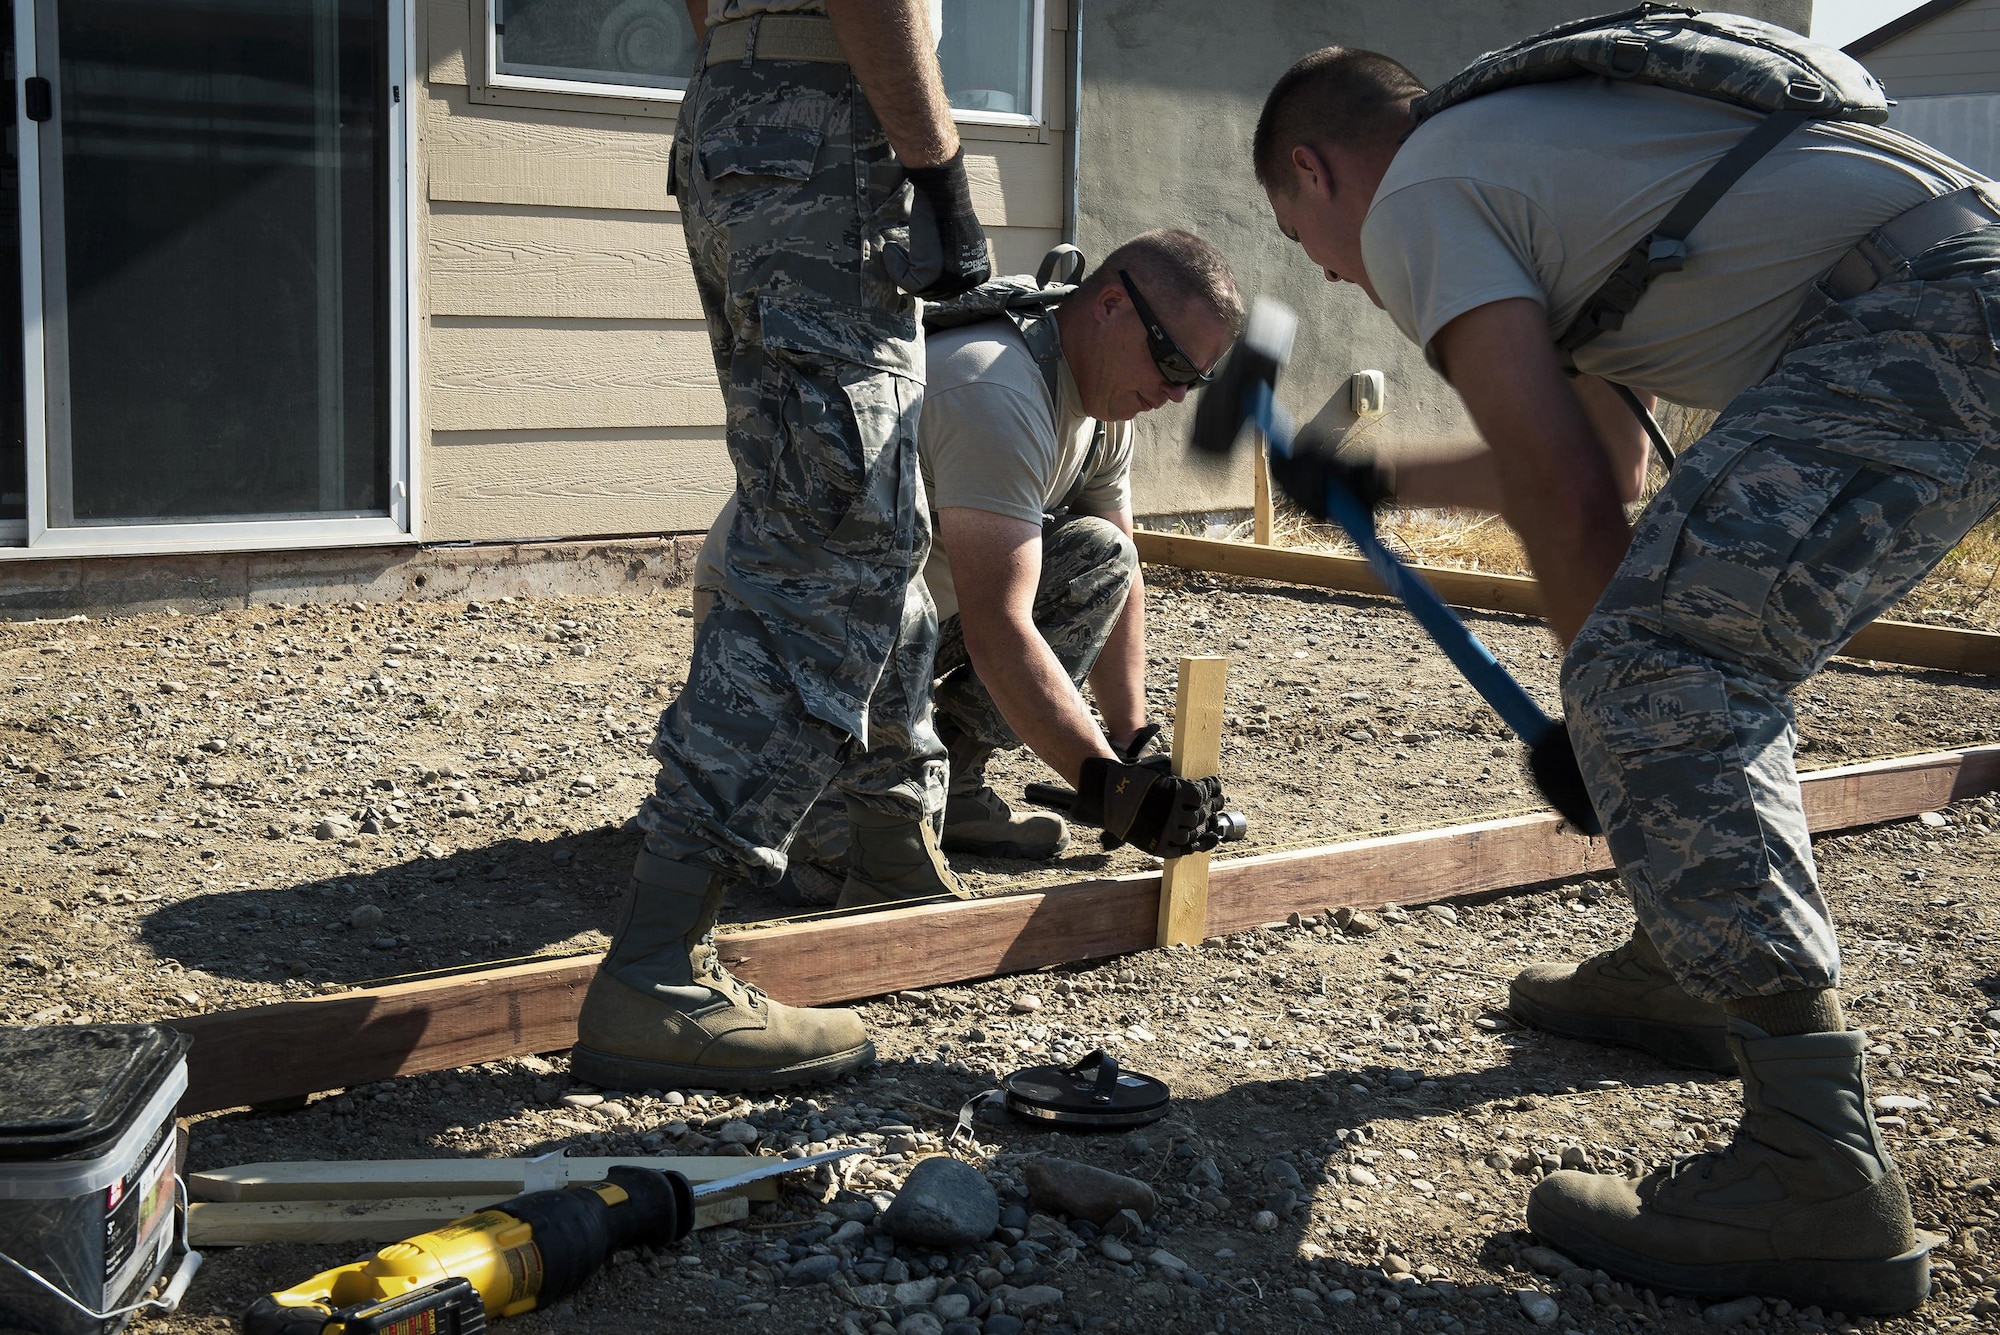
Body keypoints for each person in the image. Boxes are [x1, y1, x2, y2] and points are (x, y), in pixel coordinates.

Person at [1250, 23, 1999, 1315]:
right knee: (1674, 655)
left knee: (1671, 667)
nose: (1321, 273)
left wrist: (1605, 720)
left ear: (1315, 170)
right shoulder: (1544, 173)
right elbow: (1598, 465)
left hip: (1918, 321)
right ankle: (1685, 955)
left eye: (1294, 233)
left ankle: (1814, 1167)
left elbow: (1575, 502)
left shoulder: (1424, 190)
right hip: (1953, 293)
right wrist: (1365, 478)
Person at [693, 231, 1244, 907]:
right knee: (851, 871)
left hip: (893, 621)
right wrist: (1103, 786)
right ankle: (817, 798)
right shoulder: (998, 390)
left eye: (1194, 378)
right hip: (778, 630)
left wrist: (1132, 749)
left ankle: (949, 781)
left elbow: (1118, 576)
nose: (1175, 394)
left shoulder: (1108, 407)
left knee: (1100, 556)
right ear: (1108, 307)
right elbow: (997, 629)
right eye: (1169, 364)